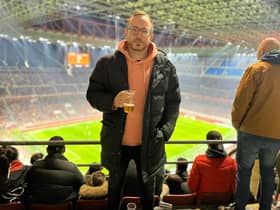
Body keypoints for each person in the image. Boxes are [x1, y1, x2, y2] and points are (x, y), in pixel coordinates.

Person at [86, 10, 181, 210]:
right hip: (116, 143)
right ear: (126, 32)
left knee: (148, 193)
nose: (138, 35)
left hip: (149, 143)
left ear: (150, 35)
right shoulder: (107, 64)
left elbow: (173, 102)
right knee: (114, 190)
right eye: (134, 29)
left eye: (143, 30)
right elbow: (92, 95)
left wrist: (164, 133)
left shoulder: (165, 67)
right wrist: (113, 100)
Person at [231, 37, 280, 210]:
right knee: (268, 173)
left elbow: (241, 102)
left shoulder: (256, 69)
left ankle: (240, 207)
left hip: (251, 132)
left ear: (263, 51)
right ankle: (265, 207)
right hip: (276, 136)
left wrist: (238, 124)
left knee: (244, 173)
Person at [25, 136, 84, 204]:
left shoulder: (35, 165)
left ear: (47, 150)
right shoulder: (72, 167)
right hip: (63, 206)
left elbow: (27, 183)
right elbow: (81, 186)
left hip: (40, 205)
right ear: (64, 149)